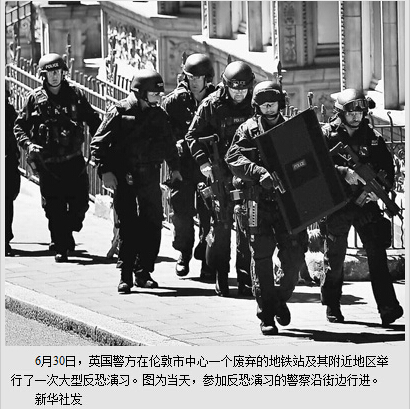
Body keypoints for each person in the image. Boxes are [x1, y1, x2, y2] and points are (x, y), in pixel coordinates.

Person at [225, 81, 308, 335]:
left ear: (280, 103)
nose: (269, 108)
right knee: (261, 258)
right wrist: (259, 172)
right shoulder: (247, 130)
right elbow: (233, 158)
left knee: (294, 257)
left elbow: (307, 158)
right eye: (264, 104)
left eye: (273, 103)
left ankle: (279, 298)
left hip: (287, 204)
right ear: (257, 106)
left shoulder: (290, 127)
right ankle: (267, 315)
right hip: (256, 203)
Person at [90, 68, 182, 294]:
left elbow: (168, 145)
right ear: (141, 92)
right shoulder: (120, 112)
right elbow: (98, 144)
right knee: (128, 226)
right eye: (154, 93)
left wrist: (175, 169)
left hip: (150, 176)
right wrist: (105, 171)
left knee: (152, 223)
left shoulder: (158, 115)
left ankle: (144, 272)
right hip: (125, 177)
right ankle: (125, 275)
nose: (158, 97)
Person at [320, 88, 403, 327]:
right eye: (351, 112)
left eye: (360, 112)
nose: (356, 117)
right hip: (337, 205)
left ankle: (388, 307)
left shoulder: (372, 137)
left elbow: (387, 167)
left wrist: (378, 191)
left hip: (365, 205)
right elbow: (316, 167)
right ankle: (332, 304)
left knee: (377, 255)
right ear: (341, 113)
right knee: (335, 258)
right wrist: (343, 173)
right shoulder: (327, 135)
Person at [14, 53, 101, 262]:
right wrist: (29, 145)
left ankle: (67, 231)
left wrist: (100, 145)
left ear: (63, 73)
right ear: (43, 75)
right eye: (50, 73)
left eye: (57, 72)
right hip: (48, 164)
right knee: (54, 207)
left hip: (74, 161)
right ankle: (61, 245)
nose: (54, 76)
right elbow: (19, 127)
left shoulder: (76, 96)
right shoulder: (34, 99)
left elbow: (94, 121)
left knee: (80, 204)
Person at [185, 60, 255, 297]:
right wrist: (203, 162)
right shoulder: (211, 104)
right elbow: (192, 136)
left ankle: (245, 280)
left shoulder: (255, 104)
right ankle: (221, 276)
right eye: (235, 88)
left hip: (246, 175)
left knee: (247, 227)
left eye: (244, 88)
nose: (239, 93)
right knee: (222, 228)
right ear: (226, 86)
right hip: (219, 174)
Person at [162, 53, 217, 280]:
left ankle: (206, 259)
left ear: (207, 78)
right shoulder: (175, 102)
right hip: (182, 166)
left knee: (209, 215)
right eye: (191, 77)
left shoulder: (216, 100)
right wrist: (174, 147)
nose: (194, 82)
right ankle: (184, 253)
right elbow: (164, 131)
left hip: (208, 168)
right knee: (182, 214)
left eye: (198, 78)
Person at [5, 86, 20, 256]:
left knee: (7, 200)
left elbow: (18, 131)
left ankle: (5, 240)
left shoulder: (9, 112)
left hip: (7, 161)